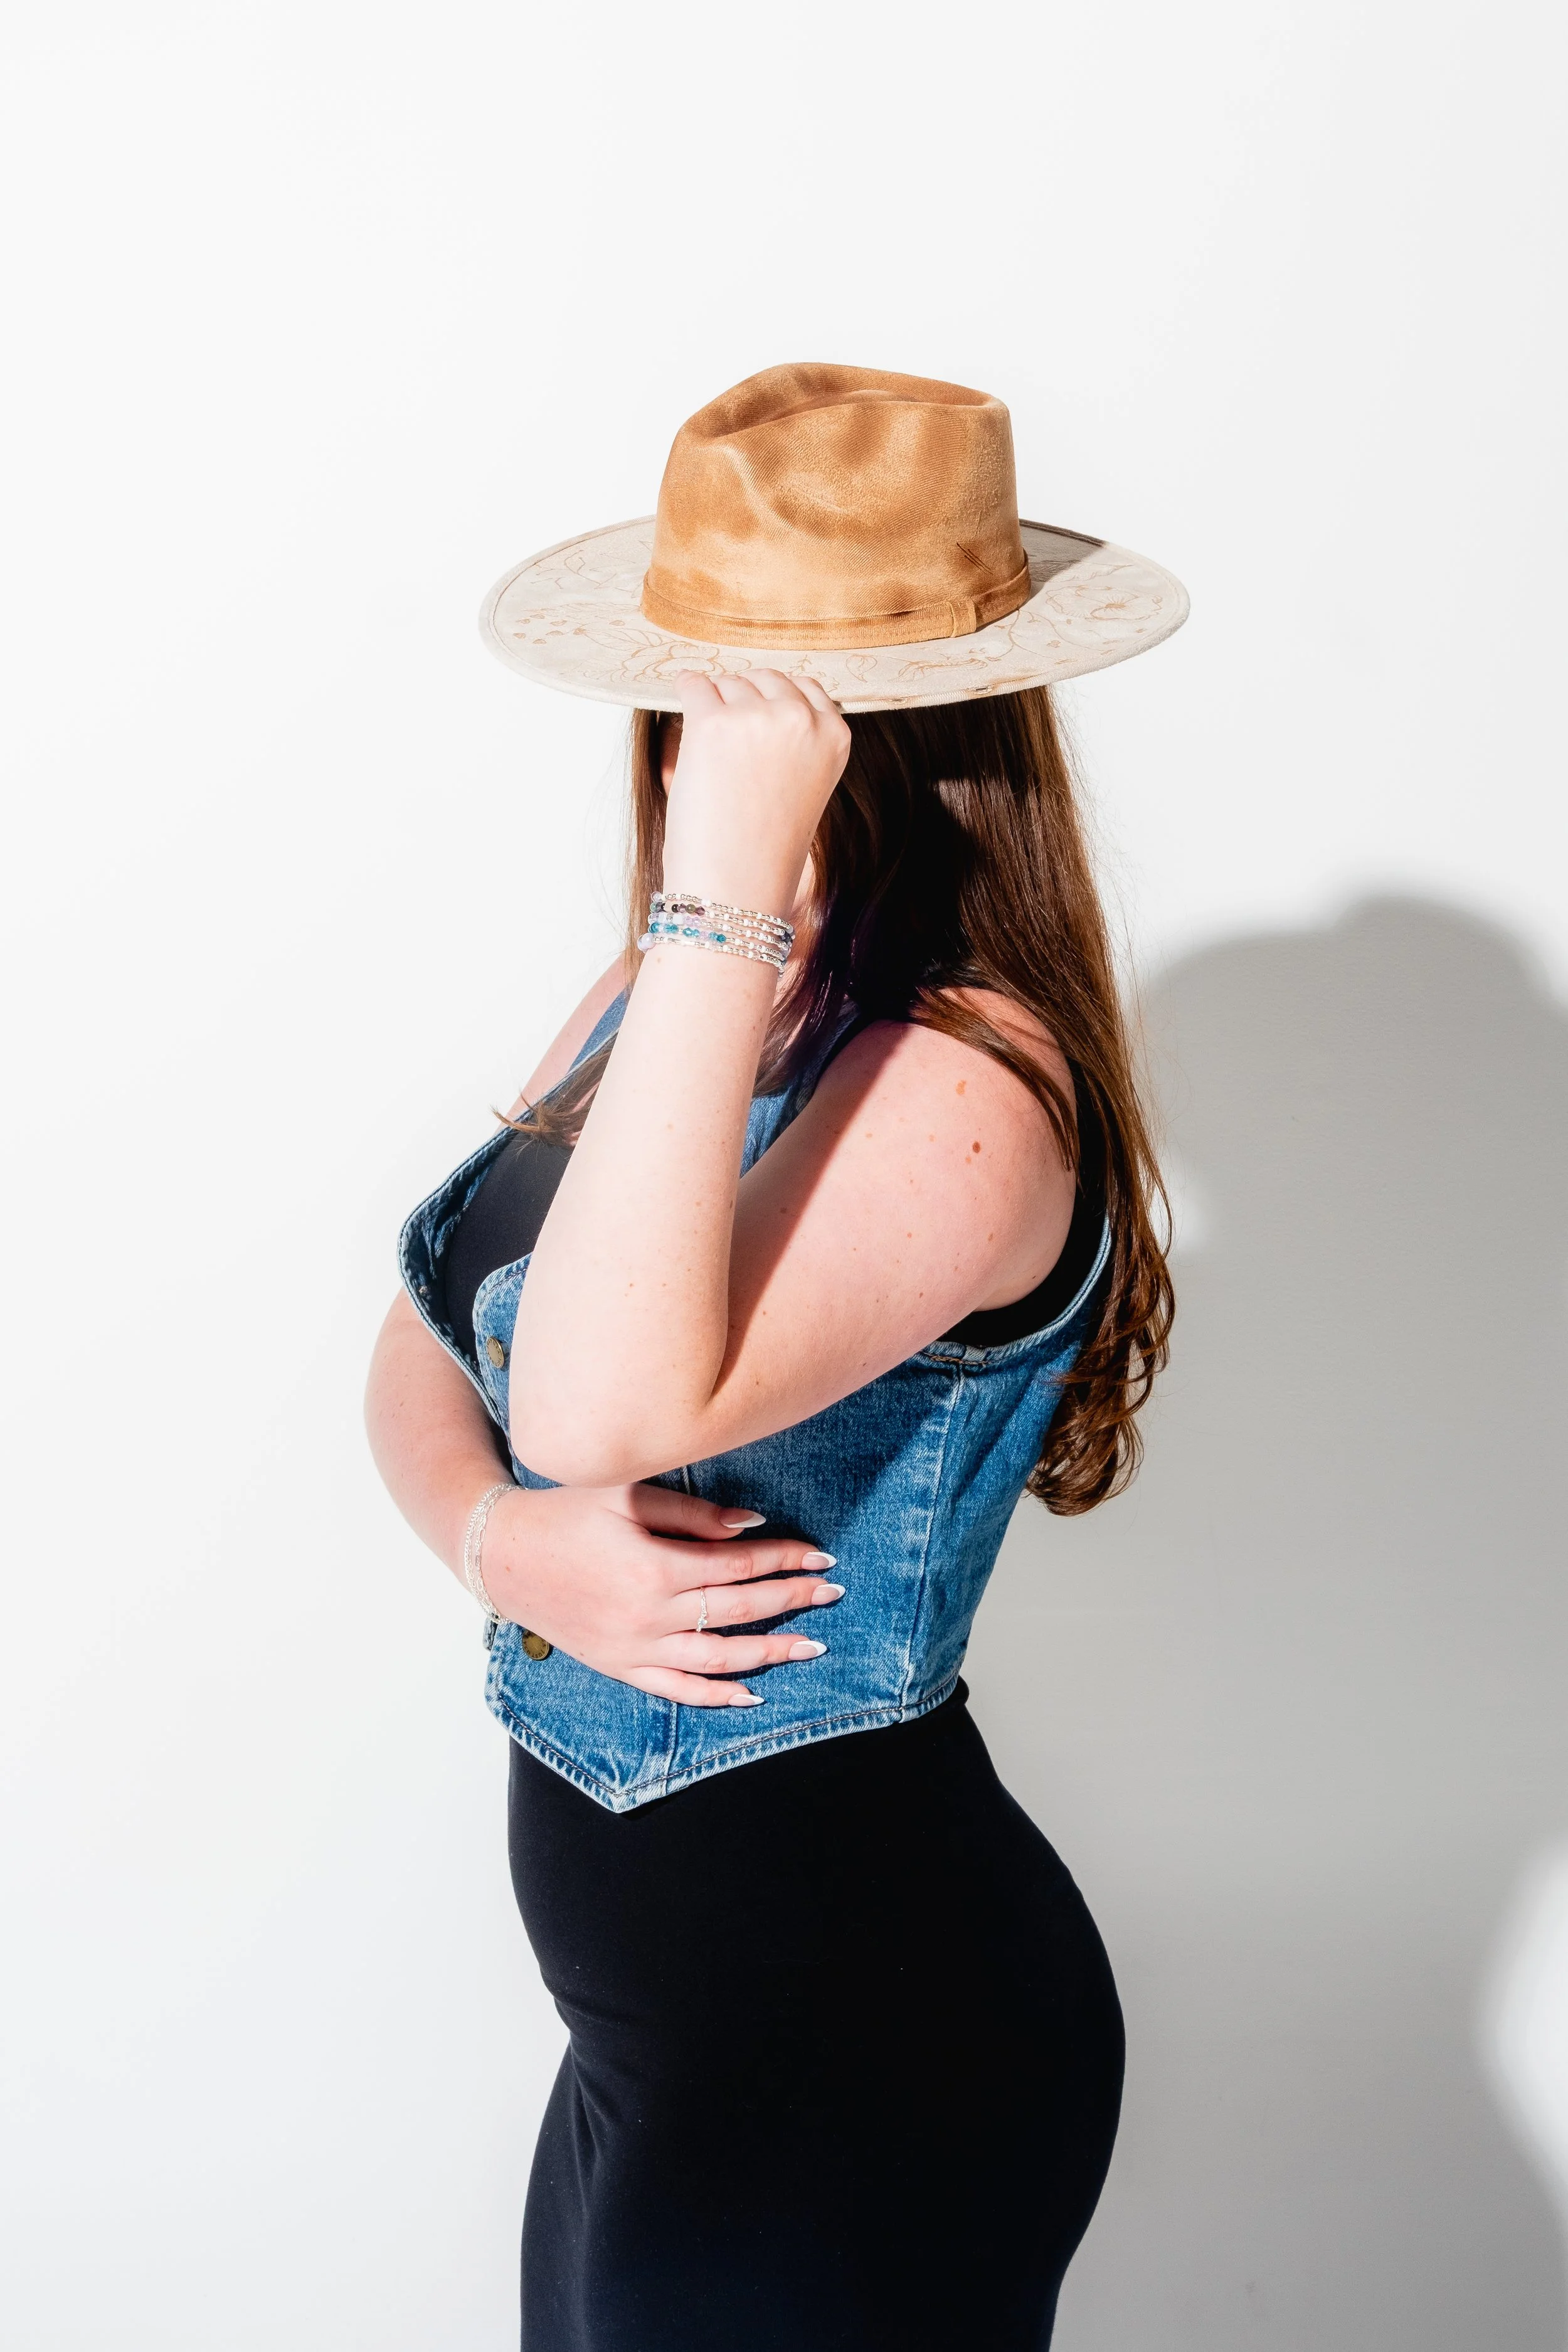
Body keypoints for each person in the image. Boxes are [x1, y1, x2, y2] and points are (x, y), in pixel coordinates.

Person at [365, 363, 1186, 2351]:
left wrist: (720, 881)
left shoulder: (970, 1082)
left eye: (715, 693)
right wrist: (496, 1541)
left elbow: (587, 1407)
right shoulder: (663, 998)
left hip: (854, 2049)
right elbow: (423, 1343)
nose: (669, 733)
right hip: (663, 2053)